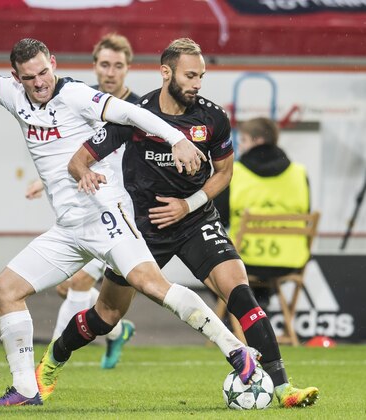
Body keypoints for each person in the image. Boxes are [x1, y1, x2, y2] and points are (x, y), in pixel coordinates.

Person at [0, 30, 259, 407]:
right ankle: (25, 390)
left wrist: (176, 138)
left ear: (52, 64)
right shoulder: (12, 94)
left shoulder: (75, 95)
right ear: (16, 76)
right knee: (5, 291)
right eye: (29, 77)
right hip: (69, 228)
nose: (39, 83)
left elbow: (131, 112)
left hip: (107, 214)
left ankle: (237, 352)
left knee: (152, 286)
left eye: (43, 72)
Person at [57, 38, 318, 408]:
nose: (197, 83)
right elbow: (79, 159)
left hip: (196, 219)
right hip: (143, 229)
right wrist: (86, 176)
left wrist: (188, 204)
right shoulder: (134, 113)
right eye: (190, 75)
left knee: (240, 291)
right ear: (166, 73)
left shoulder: (212, 117)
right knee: (106, 314)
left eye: (202, 76)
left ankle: (283, 388)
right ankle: (53, 359)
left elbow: (225, 172)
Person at [25, 33, 140, 370]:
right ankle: (117, 331)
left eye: (118, 66)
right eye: (104, 64)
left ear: (127, 69)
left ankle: (48, 365)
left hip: (122, 211)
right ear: (94, 66)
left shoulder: (135, 109)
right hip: (87, 204)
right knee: (70, 288)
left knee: (78, 283)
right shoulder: (82, 101)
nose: (110, 72)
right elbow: (69, 150)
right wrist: (42, 180)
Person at [214, 117, 311, 309]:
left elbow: (219, 218)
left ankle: (236, 318)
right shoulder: (299, 173)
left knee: (207, 262)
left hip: (246, 259)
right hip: (289, 260)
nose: (239, 146)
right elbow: (306, 215)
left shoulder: (235, 172)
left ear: (257, 141)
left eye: (243, 140)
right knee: (260, 275)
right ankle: (259, 302)